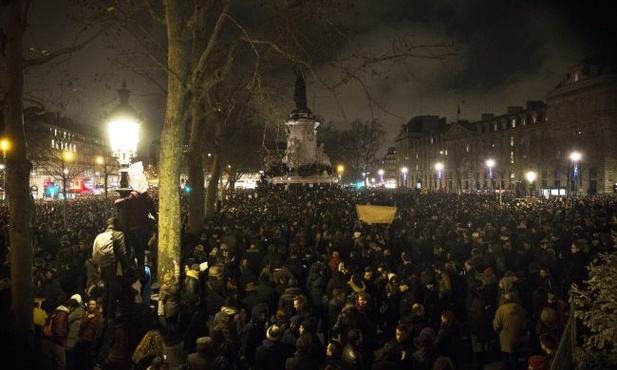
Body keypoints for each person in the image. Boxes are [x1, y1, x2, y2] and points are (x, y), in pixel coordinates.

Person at [114, 161, 157, 269]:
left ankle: (132, 267)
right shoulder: (148, 197)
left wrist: (121, 197)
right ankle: (141, 267)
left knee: (131, 249)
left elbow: (118, 203)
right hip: (144, 228)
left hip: (133, 228)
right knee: (140, 250)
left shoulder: (133, 195)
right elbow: (154, 214)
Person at [93, 216, 129, 323]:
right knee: (114, 292)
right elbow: (122, 253)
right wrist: (126, 266)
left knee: (106, 290)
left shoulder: (101, 235)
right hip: (114, 266)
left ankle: (104, 315)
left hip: (103, 267)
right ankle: (110, 317)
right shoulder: (118, 235)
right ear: (117, 224)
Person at [41, 298, 78, 370]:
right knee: (61, 365)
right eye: (74, 309)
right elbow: (59, 330)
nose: (73, 311)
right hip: (56, 342)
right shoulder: (63, 314)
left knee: (51, 363)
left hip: (48, 340)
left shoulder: (57, 311)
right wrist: (61, 341)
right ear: (70, 307)